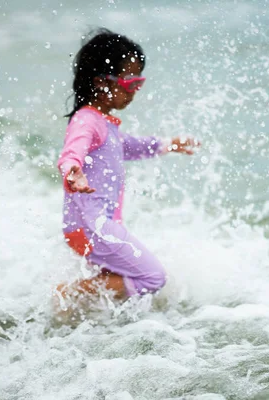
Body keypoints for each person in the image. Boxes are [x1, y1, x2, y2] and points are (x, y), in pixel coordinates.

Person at [55, 28, 199, 304]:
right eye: (129, 83)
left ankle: (88, 319)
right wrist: (73, 168)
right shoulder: (87, 121)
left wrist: (167, 144)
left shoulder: (104, 122)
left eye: (139, 82)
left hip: (96, 226)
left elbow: (128, 146)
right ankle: (67, 295)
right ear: (100, 82)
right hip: (92, 228)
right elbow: (73, 149)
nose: (135, 91)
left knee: (118, 281)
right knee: (152, 277)